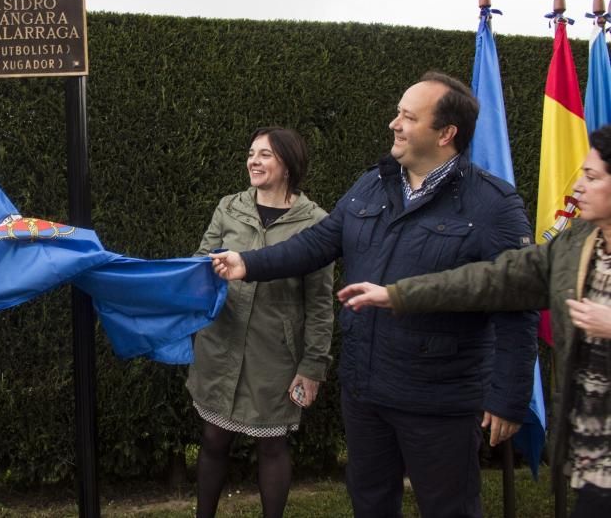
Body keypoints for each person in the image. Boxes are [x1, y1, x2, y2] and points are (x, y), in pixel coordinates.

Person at [210, 72, 539, 518]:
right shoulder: (373, 184)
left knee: (449, 509)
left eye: (408, 116)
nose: (394, 124)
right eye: (398, 113)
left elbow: (517, 300)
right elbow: (317, 243)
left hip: (438, 401)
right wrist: (248, 264)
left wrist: (509, 396)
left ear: (445, 133)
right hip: (366, 391)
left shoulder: (493, 205)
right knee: (370, 504)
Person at [338, 124, 611, 518]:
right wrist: (395, 294)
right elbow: (489, 280)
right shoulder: (578, 243)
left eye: (591, 176)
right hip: (593, 460)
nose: (578, 187)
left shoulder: (491, 200)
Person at [188, 126, 334, 518]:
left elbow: (320, 304)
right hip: (221, 343)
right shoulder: (229, 207)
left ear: (288, 164)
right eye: (251, 153)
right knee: (214, 436)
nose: (254, 160)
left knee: (272, 445)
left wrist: (313, 366)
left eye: (265, 154)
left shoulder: (317, 223)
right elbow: (201, 262)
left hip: (276, 355)